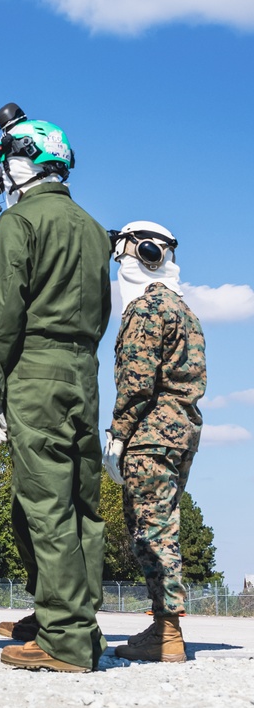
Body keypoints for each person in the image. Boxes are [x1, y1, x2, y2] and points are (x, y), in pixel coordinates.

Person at [0, 104, 111, 673]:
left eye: (7, 159)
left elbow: (2, 311)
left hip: (35, 370)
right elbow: (101, 310)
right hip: (85, 371)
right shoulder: (94, 227)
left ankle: (63, 640)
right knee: (84, 505)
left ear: (30, 161)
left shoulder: (20, 221)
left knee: (45, 504)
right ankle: (83, 624)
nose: (3, 171)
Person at [104, 222, 206, 663]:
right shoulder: (185, 309)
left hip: (151, 431)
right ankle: (165, 625)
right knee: (165, 523)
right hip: (182, 430)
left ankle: (167, 632)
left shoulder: (147, 309)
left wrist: (117, 433)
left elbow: (136, 382)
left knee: (152, 529)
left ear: (144, 253)